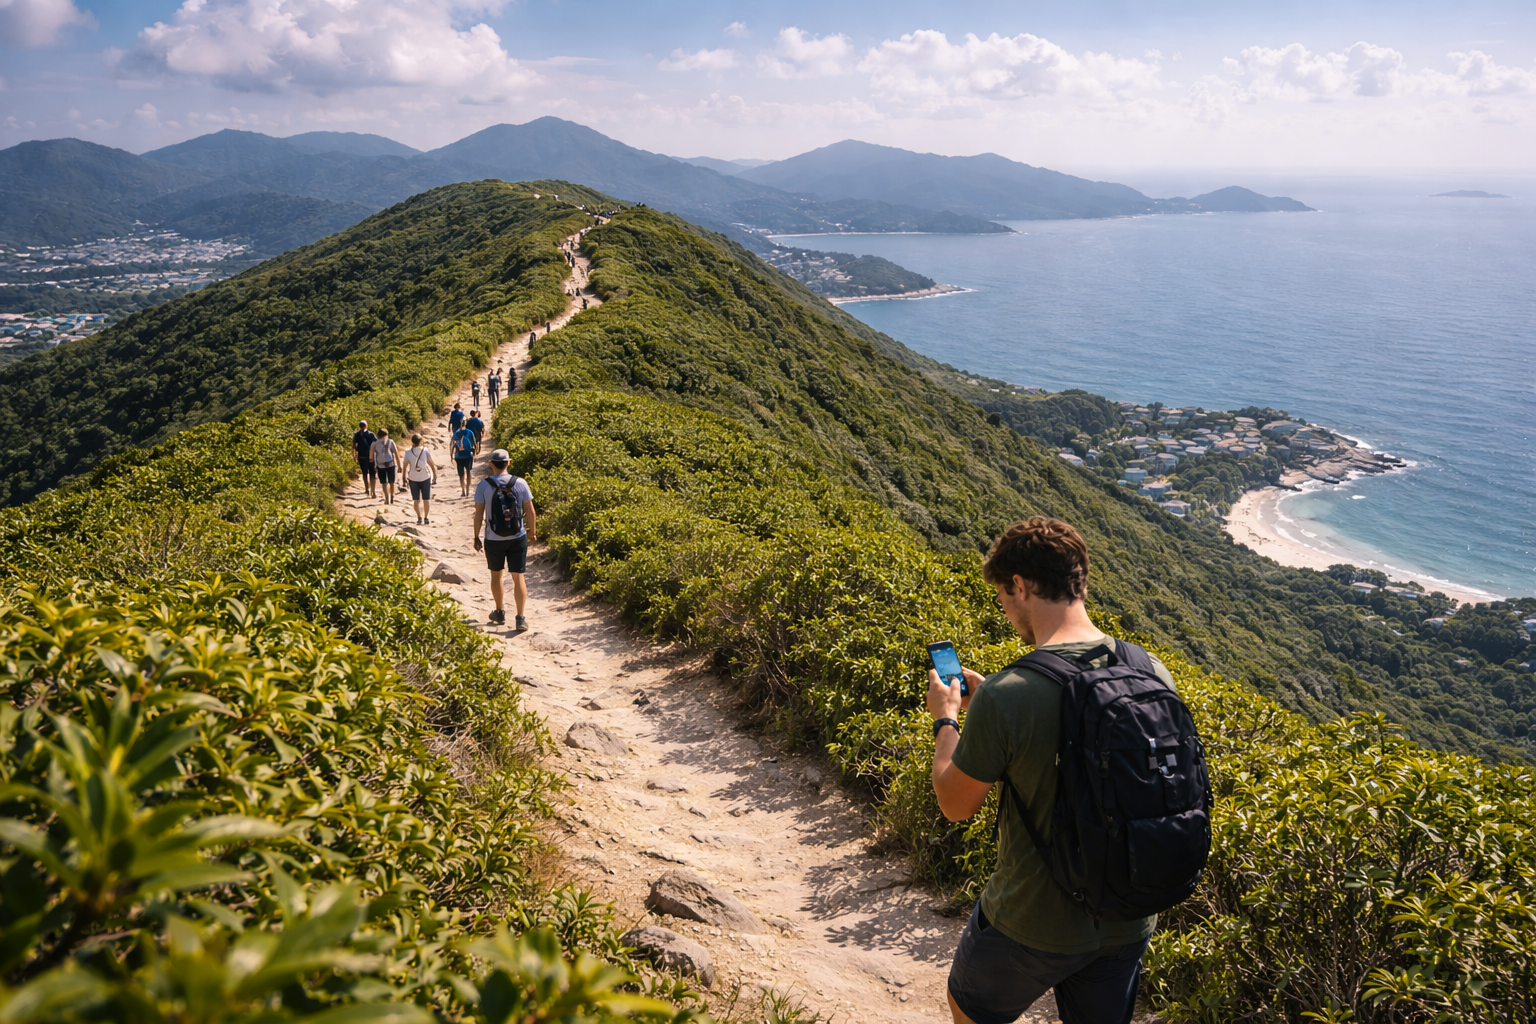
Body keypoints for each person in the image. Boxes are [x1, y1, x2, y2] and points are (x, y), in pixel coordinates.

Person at [927, 517, 1175, 1024]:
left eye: (1002, 593)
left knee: (967, 1007)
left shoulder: (1009, 694)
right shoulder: (1149, 668)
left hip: (1030, 920)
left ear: (1019, 585)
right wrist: (994, 700)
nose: (1004, 606)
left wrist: (947, 720)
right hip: (1129, 916)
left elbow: (955, 804)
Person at [472, 449, 536, 629]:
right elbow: (530, 511)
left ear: (491, 463)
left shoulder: (484, 485)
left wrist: (476, 536)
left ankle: (499, 612)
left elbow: (478, 515)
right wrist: (533, 532)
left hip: (493, 538)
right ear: (509, 462)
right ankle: (520, 617)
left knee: (496, 575)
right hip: (518, 536)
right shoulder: (520, 483)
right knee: (518, 577)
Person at [403, 432, 437, 524]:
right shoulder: (425, 450)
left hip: (413, 478)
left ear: (412, 441)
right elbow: (431, 463)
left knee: (416, 500)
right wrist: (434, 475)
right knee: (426, 499)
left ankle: (419, 517)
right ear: (420, 441)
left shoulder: (407, 452)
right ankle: (426, 517)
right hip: (425, 477)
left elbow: (405, 466)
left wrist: (403, 478)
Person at [369, 428, 399, 504]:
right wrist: (399, 465)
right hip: (390, 464)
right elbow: (396, 453)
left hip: (380, 465)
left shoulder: (374, 444)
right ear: (386, 435)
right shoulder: (390, 441)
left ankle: (386, 499)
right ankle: (392, 496)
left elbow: (371, 456)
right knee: (391, 482)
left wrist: (373, 462)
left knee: (384, 482)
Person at [451, 418, 477, 497]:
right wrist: (475, 451)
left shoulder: (457, 433)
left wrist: (451, 455)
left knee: (461, 474)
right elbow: (474, 443)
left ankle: (463, 491)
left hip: (458, 456)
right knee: (468, 472)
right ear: (466, 423)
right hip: (468, 456)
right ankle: (468, 490)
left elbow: (454, 444)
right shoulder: (469, 432)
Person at [352, 420, 377, 498]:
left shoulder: (357, 434)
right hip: (371, 457)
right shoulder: (371, 434)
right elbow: (376, 445)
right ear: (366, 425)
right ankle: (373, 491)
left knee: (364, 473)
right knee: (372, 473)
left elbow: (354, 446)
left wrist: (354, 456)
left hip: (361, 456)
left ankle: (367, 489)